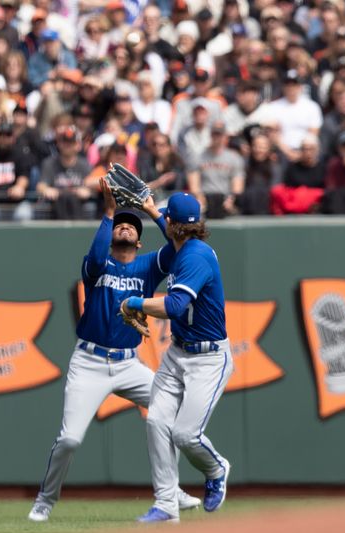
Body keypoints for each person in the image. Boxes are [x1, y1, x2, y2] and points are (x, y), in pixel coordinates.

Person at [27, 178, 200, 523]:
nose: (125, 227)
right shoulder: (98, 265)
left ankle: (171, 491)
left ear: (139, 239)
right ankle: (46, 499)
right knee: (71, 440)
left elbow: (180, 247)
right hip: (89, 361)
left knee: (171, 413)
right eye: (120, 224)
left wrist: (150, 212)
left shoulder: (150, 265)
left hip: (128, 364)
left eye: (130, 226)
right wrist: (109, 210)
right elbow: (94, 254)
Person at [122, 192, 233, 523]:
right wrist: (153, 211)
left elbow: (172, 307)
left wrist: (134, 303)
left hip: (209, 359)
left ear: (175, 225)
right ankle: (167, 505)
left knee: (185, 435)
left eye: (167, 218)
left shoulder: (195, 257)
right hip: (178, 352)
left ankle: (216, 469)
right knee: (157, 421)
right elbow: (171, 232)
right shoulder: (183, 246)